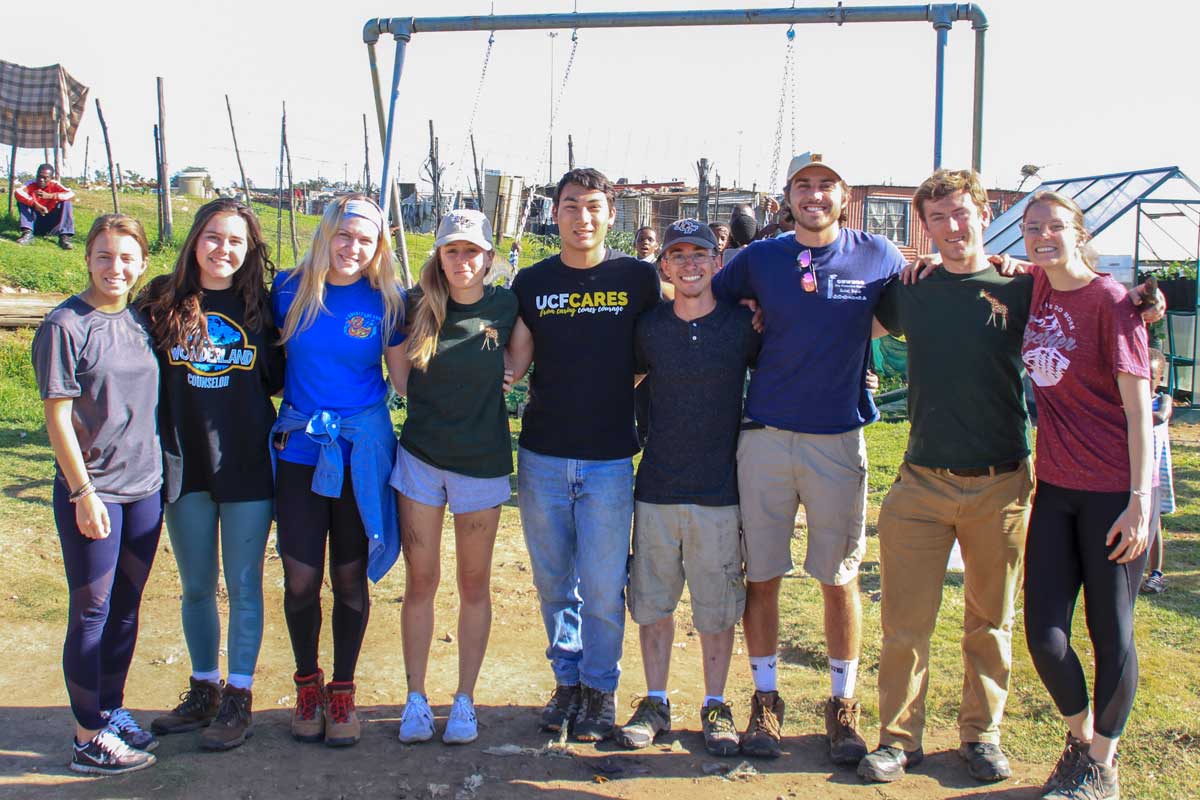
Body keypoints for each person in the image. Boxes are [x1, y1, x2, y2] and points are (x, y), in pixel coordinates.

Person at [712, 152, 904, 762]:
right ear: (786, 196)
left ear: (843, 194)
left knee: (838, 577)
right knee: (761, 574)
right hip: (765, 436)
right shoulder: (759, 258)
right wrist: (748, 311)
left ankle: (842, 707)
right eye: (803, 185)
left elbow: (919, 300)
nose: (814, 195)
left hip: (837, 439)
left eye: (826, 185)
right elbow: (702, 295)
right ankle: (765, 702)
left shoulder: (880, 255)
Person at [858, 170, 1034, 784]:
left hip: (1003, 480)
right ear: (924, 227)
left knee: (990, 619)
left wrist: (1146, 305)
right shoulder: (913, 289)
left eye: (961, 214)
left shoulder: (1021, 289)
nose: (952, 228)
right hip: (921, 482)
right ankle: (898, 741)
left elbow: (1094, 313)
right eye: (937, 219)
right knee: (905, 622)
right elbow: (844, 327)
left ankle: (980, 735)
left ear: (984, 213)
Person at [507, 167, 661, 742]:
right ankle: (566, 679)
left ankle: (600, 688)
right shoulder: (532, 280)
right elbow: (513, 360)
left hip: (609, 458)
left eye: (594, 206)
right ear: (556, 212)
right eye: (571, 206)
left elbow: (667, 331)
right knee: (553, 583)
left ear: (610, 212)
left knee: (601, 585)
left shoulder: (637, 278)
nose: (582, 218)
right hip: (543, 455)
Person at [137, 200, 284, 751]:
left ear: (248, 250)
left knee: (244, 585)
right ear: (196, 240)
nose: (223, 249)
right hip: (184, 463)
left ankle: (239, 698)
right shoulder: (160, 300)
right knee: (196, 586)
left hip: (245, 463)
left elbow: (280, 378)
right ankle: (204, 690)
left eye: (235, 241)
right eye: (214, 237)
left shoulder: (261, 308)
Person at [1020, 191, 1151, 800]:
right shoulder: (1040, 285)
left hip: (1111, 496)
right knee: (1045, 636)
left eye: (1054, 227)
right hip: (1055, 488)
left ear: (1079, 231)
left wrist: (1140, 501)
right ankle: (1080, 743)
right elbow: (987, 268)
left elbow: (1138, 411)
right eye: (1032, 227)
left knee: (1111, 632)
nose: (1042, 236)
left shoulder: (1113, 302)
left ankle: (1103, 764)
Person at [616, 220, 759, 757]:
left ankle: (716, 704)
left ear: (717, 263)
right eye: (678, 256)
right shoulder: (648, 328)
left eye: (699, 254)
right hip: (655, 486)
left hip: (720, 490)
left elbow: (789, 362)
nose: (690, 264)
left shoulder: (743, 326)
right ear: (665, 268)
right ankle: (655, 701)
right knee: (653, 603)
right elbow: (620, 379)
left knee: (717, 606)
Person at [269, 194, 407, 748]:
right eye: (344, 235)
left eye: (365, 239)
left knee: (349, 576)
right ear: (326, 233)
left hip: (361, 454)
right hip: (300, 449)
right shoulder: (287, 290)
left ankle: (343, 689)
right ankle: (308, 683)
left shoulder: (387, 302)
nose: (353, 247)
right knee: (301, 577)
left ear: (378, 248)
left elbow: (404, 384)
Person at [32, 214, 162, 774]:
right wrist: (82, 491)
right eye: (105, 256)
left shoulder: (139, 320)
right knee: (91, 611)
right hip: (96, 491)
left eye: (127, 258)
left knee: (127, 611)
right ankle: (87, 739)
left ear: (142, 264)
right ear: (88, 258)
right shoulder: (66, 325)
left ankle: (110, 710)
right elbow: (57, 418)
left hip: (145, 488)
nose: (116, 267)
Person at [391, 209, 520, 746]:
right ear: (438, 256)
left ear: (489, 257)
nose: (462, 260)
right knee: (421, 582)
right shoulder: (414, 306)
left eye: (472, 251)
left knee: (473, 584)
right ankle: (416, 697)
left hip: (482, 465)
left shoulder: (507, 305)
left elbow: (519, 361)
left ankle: (464, 699)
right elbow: (400, 383)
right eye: (452, 251)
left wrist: (514, 371)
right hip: (421, 461)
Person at [1140, 347, 1174, 594]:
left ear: (1159, 379)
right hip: (1133, 471)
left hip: (1155, 471)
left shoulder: (1162, 400)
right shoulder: (1127, 398)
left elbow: (1161, 416)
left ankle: (1156, 573)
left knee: (1154, 521)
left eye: (1151, 377)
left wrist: (1134, 412)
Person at [16, 163, 76, 249]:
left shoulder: (55, 185)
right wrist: (34, 204)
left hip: (52, 226)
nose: (41, 180)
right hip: (34, 223)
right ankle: (27, 234)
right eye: (39, 176)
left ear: (51, 178)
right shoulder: (30, 184)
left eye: (45, 178)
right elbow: (18, 192)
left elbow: (71, 194)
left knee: (66, 201)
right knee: (22, 201)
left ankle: (65, 237)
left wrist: (50, 196)